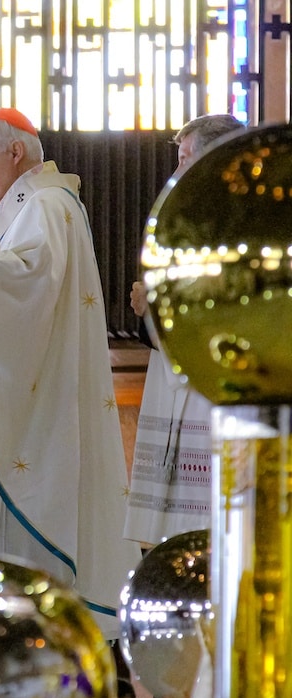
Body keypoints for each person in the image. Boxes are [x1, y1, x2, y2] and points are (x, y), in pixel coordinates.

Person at [0, 108, 141, 636]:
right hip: (38, 411)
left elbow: (26, 289)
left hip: (38, 430)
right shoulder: (36, 205)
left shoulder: (46, 204)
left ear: (15, 153)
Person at [123, 114, 244, 545]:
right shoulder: (184, 223)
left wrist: (161, 304)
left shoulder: (248, 223)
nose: (175, 172)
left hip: (216, 397)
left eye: (185, 158)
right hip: (177, 384)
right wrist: (150, 311)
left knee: (211, 539)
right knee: (172, 545)